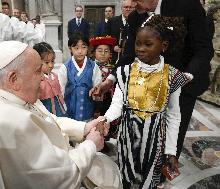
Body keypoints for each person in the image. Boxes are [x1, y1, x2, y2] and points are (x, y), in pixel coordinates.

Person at [0, 41, 121, 189]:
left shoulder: (1, 92)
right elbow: (60, 178)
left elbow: (47, 118)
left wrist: (85, 127)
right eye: (37, 71)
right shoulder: (5, 123)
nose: (43, 77)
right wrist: (90, 144)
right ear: (13, 79)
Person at [93, 0, 214, 161]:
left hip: (182, 84)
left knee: (172, 131)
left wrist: (186, 77)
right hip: (147, 84)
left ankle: (162, 171)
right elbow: (129, 54)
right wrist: (110, 80)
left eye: (138, 0)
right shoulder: (136, 17)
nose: (134, 5)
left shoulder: (187, 5)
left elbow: (203, 49)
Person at [101, 15, 190, 188]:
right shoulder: (125, 72)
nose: (140, 49)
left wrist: (171, 151)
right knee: (126, 175)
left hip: (155, 139)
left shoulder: (172, 76)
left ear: (163, 46)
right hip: (128, 135)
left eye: (148, 44)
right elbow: (117, 103)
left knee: (149, 179)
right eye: (137, 43)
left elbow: (173, 115)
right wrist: (106, 119)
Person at [58, 32, 102, 121]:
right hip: (69, 113)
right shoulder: (65, 67)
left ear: (88, 48)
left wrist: (97, 108)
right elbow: (60, 91)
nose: (80, 51)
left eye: (84, 47)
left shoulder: (93, 67)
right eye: (76, 48)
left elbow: (98, 88)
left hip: (88, 111)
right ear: (70, 48)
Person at [33, 42, 67, 117]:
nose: (51, 65)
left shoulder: (55, 76)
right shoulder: (36, 79)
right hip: (45, 110)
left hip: (58, 109)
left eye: (52, 61)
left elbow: (60, 94)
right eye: (47, 62)